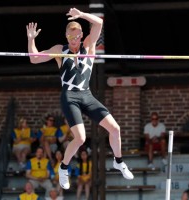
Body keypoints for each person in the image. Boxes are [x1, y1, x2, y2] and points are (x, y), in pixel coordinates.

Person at [26, 7, 134, 190]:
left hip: (87, 95)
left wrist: (82, 15)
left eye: (77, 36)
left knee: (115, 129)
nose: (74, 40)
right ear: (66, 36)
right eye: (71, 37)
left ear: (82, 35)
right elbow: (34, 58)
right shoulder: (60, 50)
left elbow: (99, 23)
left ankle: (118, 161)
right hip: (69, 96)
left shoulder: (89, 45)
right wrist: (31, 40)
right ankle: (64, 168)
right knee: (81, 138)